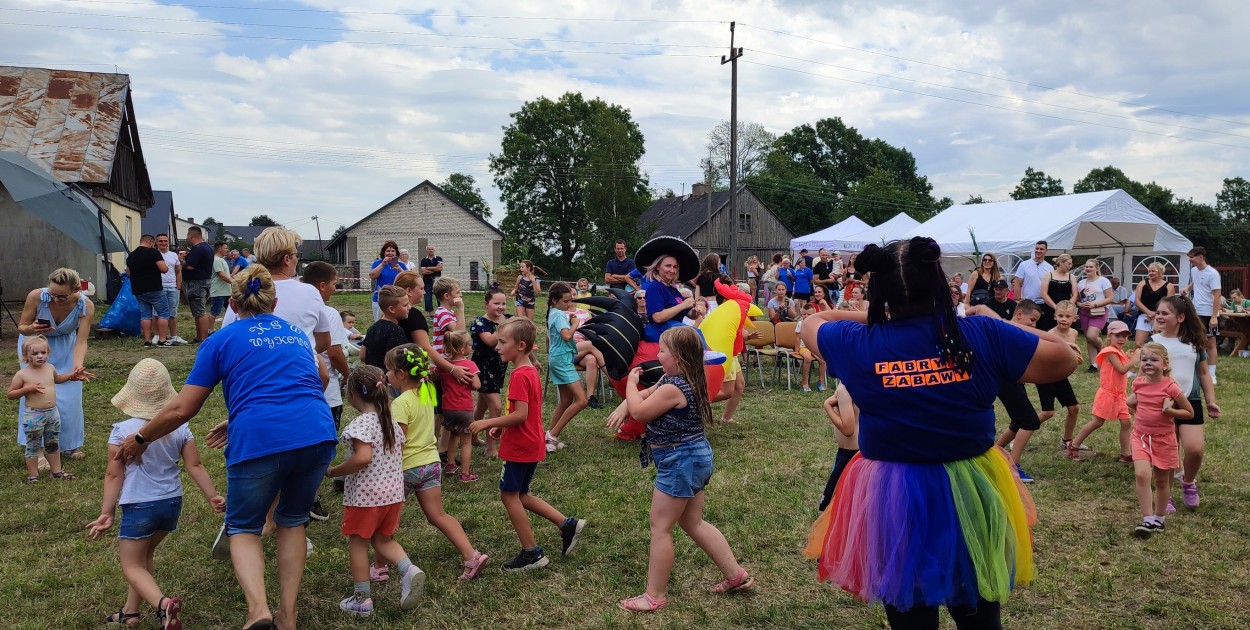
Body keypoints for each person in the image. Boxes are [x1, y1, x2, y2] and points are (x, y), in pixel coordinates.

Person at [802, 237, 1080, 629]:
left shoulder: (856, 343)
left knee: (910, 613)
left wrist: (876, 319)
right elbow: (1068, 356)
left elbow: (811, 323)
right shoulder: (982, 333)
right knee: (980, 615)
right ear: (939, 285)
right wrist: (995, 322)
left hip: (891, 495)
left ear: (879, 289)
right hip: (973, 485)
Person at [115, 265, 337, 630]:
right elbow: (321, 377)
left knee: (245, 527)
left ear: (233, 303)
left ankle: (258, 612)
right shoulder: (297, 334)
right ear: (275, 300)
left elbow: (182, 408)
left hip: (260, 440)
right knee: (292, 521)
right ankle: (288, 617)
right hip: (316, 433)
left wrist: (141, 438)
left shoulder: (220, 340)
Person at [607, 326, 754, 611]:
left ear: (677, 356)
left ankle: (654, 596)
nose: (657, 354)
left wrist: (629, 385)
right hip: (694, 457)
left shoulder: (674, 387)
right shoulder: (677, 377)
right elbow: (648, 393)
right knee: (692, 523)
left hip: (680, 461)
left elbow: (640, 411)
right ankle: (736, 576)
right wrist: (629, 401)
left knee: (660, 527)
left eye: (662, 350)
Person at [87, 358, 223, 629]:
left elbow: (114, 474)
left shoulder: (122, 431)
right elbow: (194, 465)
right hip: (171, 503)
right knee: (145, 556)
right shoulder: (180, 427)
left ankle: (163, 605)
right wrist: (211, 495)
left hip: (140, 506)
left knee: (131, 565)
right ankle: (130, 613)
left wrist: (107, 512)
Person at [467, 319, 586, 570]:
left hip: (520, 447)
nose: (497, 347)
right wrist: (503, 424)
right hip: (531, 443)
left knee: (508, 496)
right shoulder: (529, 371)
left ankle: (531, 553)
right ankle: (567, 524)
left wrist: (489, 423)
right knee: (521, 494)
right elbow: (523, 412)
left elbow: (520, 414)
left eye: (502, 342)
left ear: (521, 346)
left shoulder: (521, 375)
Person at [325, 365, 427, 617]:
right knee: (383, 540)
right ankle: (408, 569)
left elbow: (362, 458)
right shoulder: (390, 420)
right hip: (393, 494)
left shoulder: (361, 424)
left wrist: (334, 471)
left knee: (358, 544)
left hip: (366, 497)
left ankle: (362, 599)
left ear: (352, 395)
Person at [383, 345, 487, 580]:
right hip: (430, 464)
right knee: (438, 515)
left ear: (400, 374)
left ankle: (379, 568)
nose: (386, 375)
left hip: (407, 467)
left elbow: (399, 441)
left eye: (389, 370)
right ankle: (471, 556)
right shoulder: (426, 392)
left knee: (387, 520)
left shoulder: (400, 403)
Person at [17, 268, 95, 459]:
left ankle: (67, 446)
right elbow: (22, 327)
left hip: (67, 349)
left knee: (71, 398)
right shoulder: (36, 296)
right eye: (52, 294)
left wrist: (77, 365)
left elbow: (81, 340)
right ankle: (38, 450)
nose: (54, 299)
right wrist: (31, 328)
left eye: (61, 296)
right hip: (36, 347)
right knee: (38, 396)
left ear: (76, 290)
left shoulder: (86, 306)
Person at [1151, 295, 1220, 510]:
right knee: (1169, 452)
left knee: (1195, 449)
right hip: (1163, 405)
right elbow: (1146, 374)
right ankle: (1166, 492)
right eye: (1158, 313)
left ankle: (1188, 482)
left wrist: (1211, 401)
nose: (1159, 316)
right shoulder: (1154, 342)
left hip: (1191, 402)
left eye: (1165, 313)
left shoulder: (1194, 343)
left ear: (1180, 317)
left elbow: (1204, 373)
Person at [221, 228, 332, 355]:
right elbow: (324, 340)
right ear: (287, 259)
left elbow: (226, 333)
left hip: (253, 365)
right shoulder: (310, 292)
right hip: (299, 367)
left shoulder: (246, 289)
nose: (297, 259)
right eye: (296, 255)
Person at [1125, 343, 1193, 538]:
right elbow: (1135, 399)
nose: (1148, 363)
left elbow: (1189, 413)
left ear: (1165, 364)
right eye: (1144, 359)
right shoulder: (1138, 383)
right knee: (1141, 474)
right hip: (1140, 437)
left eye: (1154, 360)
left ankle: (1159, 519)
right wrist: (1131, 404)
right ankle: (1147, 519)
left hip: (1164, 440)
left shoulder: (1171, 387)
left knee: (1162, 481)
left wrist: (1169, 410)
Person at [302, 261, 353, 514]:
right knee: (322, 447)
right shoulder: (328, 313)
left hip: (299, 391)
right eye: (334, 283)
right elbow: (334, 351)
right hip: (327, 392)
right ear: (322, 285)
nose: (335, 288)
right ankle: (312, 497)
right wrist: (348, 375)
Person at [8, 335, 93, 482]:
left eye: (43, 352)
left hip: (52, 413)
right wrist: (27, 389)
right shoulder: (22, 374)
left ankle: (56, 472)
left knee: (53, 443)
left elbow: (58, 379)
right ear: (26, 356)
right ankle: (33, 475)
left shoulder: (49, 368)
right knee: (33, 445)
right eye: (35, 354)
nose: (40, 356)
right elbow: (10, 394)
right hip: (34, 415)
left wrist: (73, 375)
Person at [987, 300, 1048, 482]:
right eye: (1032, 319)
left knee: (1017, 422)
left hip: (1013, 379)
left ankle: (992, 456)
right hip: (1005, 380)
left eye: (1036, 321)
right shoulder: (1006, 329)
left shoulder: (1016, 331)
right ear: (1019, 313)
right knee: (1029, 421)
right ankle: (1012, 467)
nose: (1033, 325)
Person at [1068, 321, 1138, 461]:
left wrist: (1131, 360)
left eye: (1124, 336)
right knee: (1098, 422)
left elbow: (1130, 370)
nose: (1121, 339)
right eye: (1117, 335)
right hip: (1107, 394)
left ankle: (1126, 453)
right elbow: (1122, 369)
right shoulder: (1110, 352)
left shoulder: (1119, 352)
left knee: (1126, 423)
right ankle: (1074, 444)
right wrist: (1136, 358)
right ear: (1109, 336)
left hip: (1120, 395)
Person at [545, 282, 590, 452]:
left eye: (571, 300)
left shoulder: (555, 312)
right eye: (566, 301)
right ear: (554, 300)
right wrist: (575, 323)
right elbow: (566, 336)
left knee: (565, 400)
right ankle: (553, 434)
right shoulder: (559, 315)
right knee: (582, 400)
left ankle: (549, 438)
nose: (569, 304)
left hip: (557, 358)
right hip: (563, 360)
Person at [470, 288, 511, 458]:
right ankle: (491, 447)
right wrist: (504, 326)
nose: (501, 307)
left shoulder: (508, 320)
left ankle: (472, 435)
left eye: (503, 303)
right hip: (483, 368)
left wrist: (534, 359)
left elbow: (517, 339)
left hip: (498, 367)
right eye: (496, 303)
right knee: (496, 406)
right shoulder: (480, 323)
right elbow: (490, 341)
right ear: (486, 304)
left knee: (482, 405)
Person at [1039, 301, 1084, 450]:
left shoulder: (1074, 333)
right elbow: (1046, 358)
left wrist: (1075, 360)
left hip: (1060, 375)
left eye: (1067, 316)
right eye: (1060, 316)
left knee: (1074, 408)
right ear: (1054, 317)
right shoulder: (1050, 335)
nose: (1064, 319)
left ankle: (1067, 440)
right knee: (1047, 412)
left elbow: (1069, 358)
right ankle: (1018, 434)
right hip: (1045, 375)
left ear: (1075, 319)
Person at [438, 331, 482, 482]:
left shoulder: (444, 366)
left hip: (448, 408)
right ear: (462, 350)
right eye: (469, 344)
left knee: (452, 435)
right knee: (466, 442)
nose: (471, 347)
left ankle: (450, 464)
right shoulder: (469, 365)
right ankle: (465, 473)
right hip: (464, 409)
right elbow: (477, 385)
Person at [638, 238, 700, 343]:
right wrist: (683, 305)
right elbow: (657, 317)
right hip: (662, 333)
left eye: (675, 267)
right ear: (657, 267)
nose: (672, 270)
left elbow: (690, 315)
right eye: (668, 266)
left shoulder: (673, 289)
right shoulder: (655, 287)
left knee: (695, 333)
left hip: (674, 332)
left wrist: (696, 311)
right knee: (692, 334)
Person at [817, 383, 860, 512]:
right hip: (856, 452)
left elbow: (848, 429)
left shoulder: (844, 389)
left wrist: (827, 406)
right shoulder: (860, 382)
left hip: (848, 455)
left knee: (835, 505)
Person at [127, 234, 173, 347]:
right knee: (163, 313)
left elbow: (128, 273)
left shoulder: (131, 255)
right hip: (154, 288)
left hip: (138, 289)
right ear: (151, 242)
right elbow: (164, 269)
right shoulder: (154, 253)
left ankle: (147, 340)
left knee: (145, 315)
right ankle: (162, 340)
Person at [1184, 246, 1222, 383]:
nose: (1190, 260)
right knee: (1193, 340)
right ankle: (1195, 368)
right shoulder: (1194, 270)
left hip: (1208, 313)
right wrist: (1187, 288)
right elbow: (1195, 282)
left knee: (1210, 342)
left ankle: (1211, 373)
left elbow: (1217, 296)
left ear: (1201, 257)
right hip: (1195, 311)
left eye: (1192, 257)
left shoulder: (1213, 274)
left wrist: (1214, 316)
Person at [1076, 258, 1115, 369]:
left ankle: (1102, 349)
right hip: (1084, 312)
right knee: (1088, 338)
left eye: (1091, 267)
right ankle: (1094, 364)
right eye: (1086, 267)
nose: (1088, 269)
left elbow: (1110, 298)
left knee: (1091, 336)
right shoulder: (1081, 283)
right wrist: (1081, 305)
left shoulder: (1103, 281)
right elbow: (1078, 300)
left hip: (1099, 311)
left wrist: (1095, 304)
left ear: (1096, 268)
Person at [361, 287, 411, 370]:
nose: (409, 307)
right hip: (389, 379)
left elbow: (362, 356)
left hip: (373, 376)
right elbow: (398, 361)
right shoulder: (395, 331)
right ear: (391, 309)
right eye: (405, 305)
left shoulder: (372, 328)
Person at [182, 226, 216, 343]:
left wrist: (180, 260)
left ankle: (203, 337)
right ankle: (199, 336)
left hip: (197, 283)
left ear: (191, 236)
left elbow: (190, 266)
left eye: (188, 236)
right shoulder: (208, 248)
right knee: (197, 312)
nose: (187, 238)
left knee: (200, 312)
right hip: (205, 281)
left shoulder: (198, 249)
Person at [155, 234, 189, 345]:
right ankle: (157, 335)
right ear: (156, 242)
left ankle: (174, 335)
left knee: (172, 313)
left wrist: (179, 284)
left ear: (168, 242)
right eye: (161, 241)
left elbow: (178, 271)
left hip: (173, 287)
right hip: (159, 287)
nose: (163, 243)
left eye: (165, 241)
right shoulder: (154, 255)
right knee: (157, 312)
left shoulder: (173, 255)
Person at [1038, 253, 1078, 332]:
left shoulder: (1071, 277)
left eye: (1071, 264)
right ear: (1061, 263)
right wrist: (1056, 307)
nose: (1070, 266)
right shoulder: (1048, 275)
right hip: (1050, 307)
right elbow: (1043, 294)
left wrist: (1068, 307)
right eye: (1069, 264)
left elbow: (1075, 294)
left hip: (1067, 308)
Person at [1012, 242, 1053, 314]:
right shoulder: (1024, 265)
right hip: (1027, 303)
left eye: (1041, 249)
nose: (1038, 251)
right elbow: (1017, 283)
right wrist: (1017, 300)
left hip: (1043, 303)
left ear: (1046, 251)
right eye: (1037, 248)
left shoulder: (1049, 268)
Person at [370, 241, 405, 322]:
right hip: (380, 299)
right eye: (388, 251)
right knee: (379, 322)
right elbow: (372, 276)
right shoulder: (377, 263)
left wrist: (400, 270)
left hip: (397, 299)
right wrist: (383, 264)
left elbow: (408, 279)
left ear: (396, 253)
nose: (390, 253)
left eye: (393, 251)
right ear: (384, 253)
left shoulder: (401, 265)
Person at [795, 304, 825, 392]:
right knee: (807, 358)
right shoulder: (800, 323)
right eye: (804, 314)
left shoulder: (817, 324)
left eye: (809, 314)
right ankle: (805, 382)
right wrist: (796, 350)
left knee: (822, 359)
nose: (806, 316)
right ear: (801, 315)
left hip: (813, 346)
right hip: (803, 346)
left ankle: (820, 382)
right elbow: (797, 337)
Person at [210, 241, 233, 319]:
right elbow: (222, 276)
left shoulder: (222, 259)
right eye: (225, 248)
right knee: (214, 312)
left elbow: (227, 275)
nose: (227, 250)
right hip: (219, 292)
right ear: (219, 249)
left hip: (226, 292)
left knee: (231, 311)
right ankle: (210, 330)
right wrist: (235, 283)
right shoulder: (216, 260)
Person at [419, 245, 444, 313]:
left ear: (434, 250)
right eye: (429, 249)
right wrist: (435, 268)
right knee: (427, 297)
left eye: (432, 249)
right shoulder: (424, 260)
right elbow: (423, 271)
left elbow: (440, 268)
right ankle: (431, 312)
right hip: (427, 281)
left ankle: (441, 310)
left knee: (439, 296)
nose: (431, 250)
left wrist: (429, 268)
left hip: (437, 281)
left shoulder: (439, 258)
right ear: (427, 251)